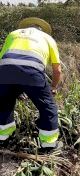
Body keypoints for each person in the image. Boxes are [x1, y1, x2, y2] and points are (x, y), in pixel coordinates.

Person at [0, 17, 62, 149]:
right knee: (48, 107)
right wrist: (53, 87)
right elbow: (57, 70)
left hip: (4, 72)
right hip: (32, 72)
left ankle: (3, 137)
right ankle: (48, 144)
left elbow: (7, 61)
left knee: (4, 103)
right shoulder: (48, 38)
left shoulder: (13, 34)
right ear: (42, 29)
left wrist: (15, 90)